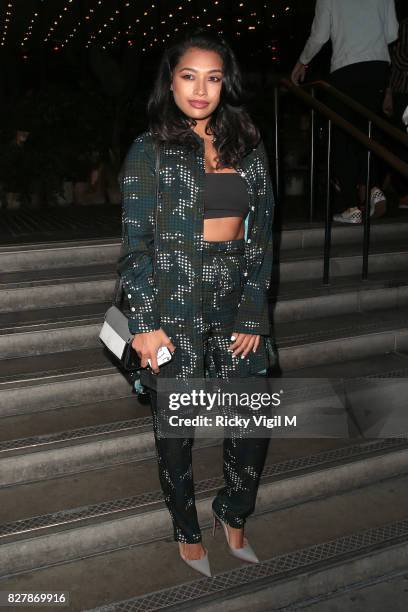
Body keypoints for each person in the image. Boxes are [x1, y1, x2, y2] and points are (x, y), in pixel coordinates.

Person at [117, 29, 276, 577]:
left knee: (252, 419)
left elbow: (262, 236)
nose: (201, 88)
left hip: (234, 298)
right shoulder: (150, 149)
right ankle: (185, 524)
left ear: (225, 83)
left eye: (212, 77)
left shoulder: (247, 146)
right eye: (189, 76)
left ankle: (233, 511)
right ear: (171, 82)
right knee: (177, 426)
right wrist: (144, 324)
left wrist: (255, 308)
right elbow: (135, 246)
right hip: (172, 303)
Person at [291, 0, 399, 224]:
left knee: (343, 136)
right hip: (378, 68)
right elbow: (392, 34)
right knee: (368, 130)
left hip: (346, 69)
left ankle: (350, 206)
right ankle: (372, 186)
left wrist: (302, 61)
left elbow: (319, 35)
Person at [383, 15, 408, 208]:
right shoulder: (404, 27)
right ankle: (402, 190)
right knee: (400, 142)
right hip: (402, 93)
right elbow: (397, 58)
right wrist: (389, 94)